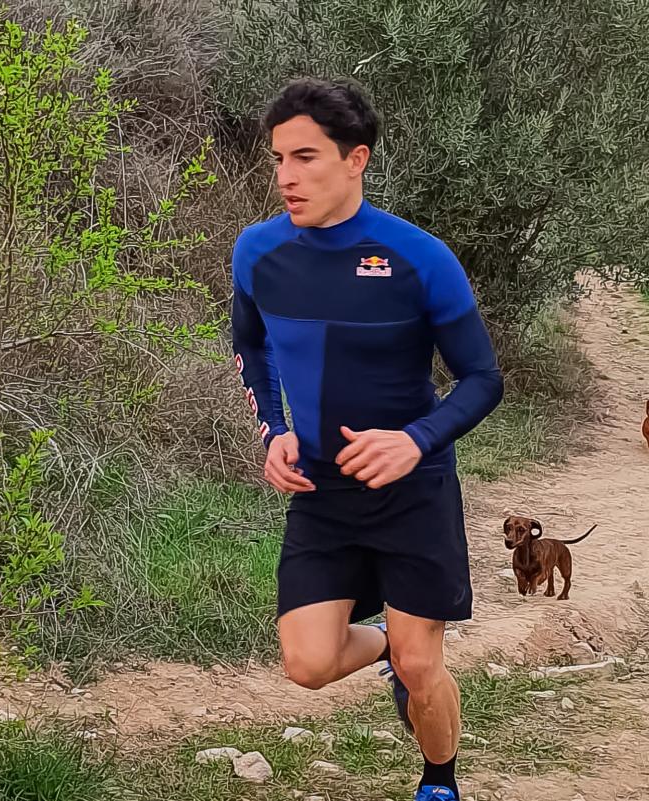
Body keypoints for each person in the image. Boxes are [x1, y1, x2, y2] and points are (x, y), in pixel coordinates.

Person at [228, 76, 504, 801]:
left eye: (305, 157)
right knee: (307, 664)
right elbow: (250, 348)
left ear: (356, 160)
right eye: (278, 159)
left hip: (413, 489)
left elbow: (482, 379)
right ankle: (387, 646)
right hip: (322, 489)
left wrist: (416, 440)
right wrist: (274, 432)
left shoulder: (418, 258)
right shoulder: (258, 253)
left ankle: (438, 780)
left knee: (423, 666)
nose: (286, 177)